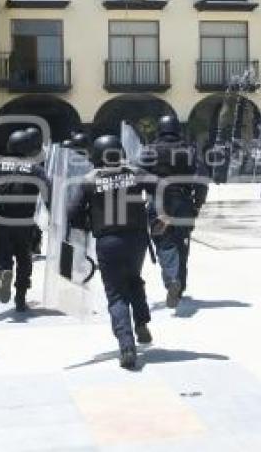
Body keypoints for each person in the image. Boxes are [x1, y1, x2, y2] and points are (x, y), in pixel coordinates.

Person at [68, 135, 155, 369]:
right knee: (134, 280)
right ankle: (141, 323)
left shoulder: (89, 180)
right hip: (137, 240)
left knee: (116, 294)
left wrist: (86, 224)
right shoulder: (135, 173)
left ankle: (126, 345)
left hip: (107, 242)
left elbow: (72, 213)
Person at [0, 129, 50, 312]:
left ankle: (3, 272)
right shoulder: (35, 169)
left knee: (1, 255)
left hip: (1, 222)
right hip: (25, 223)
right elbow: (50, 195)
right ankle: (20, 298)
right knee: (24, 259)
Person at [144, 115, 208, 308]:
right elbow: (202, 179)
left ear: (160, 130)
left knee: (164, 242)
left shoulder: (150, 150)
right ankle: (179, 286)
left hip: (159, 202)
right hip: (183, 202)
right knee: (182, 243)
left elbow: (138, 174)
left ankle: (172, 280)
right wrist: (197, 203)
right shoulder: (189, 149)